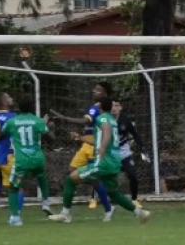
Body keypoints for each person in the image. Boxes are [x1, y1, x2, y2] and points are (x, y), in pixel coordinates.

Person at [48, 96, 151, 224]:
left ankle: (65, 214)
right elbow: (99, 138)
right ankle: (140, 213)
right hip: (114, 163)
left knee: (70, 180)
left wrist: (102, 148)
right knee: (114, 194)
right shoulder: (113, 120)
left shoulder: (102, 118)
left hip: (103, 163)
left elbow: (106, 134)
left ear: (100, 107)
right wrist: (80, 138)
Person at [49, 82, 114, 221]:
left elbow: (84, 121)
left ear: (105, 94)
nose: (94, 91)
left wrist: (65, 118)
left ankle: (107, 207)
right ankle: (106, 206)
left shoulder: (97, 108)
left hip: (92, 146)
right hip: (85, 144)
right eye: (94, 88)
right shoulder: (99, 109)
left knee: (86, 178)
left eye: (98, 90)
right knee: (73, 170)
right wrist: (80, 137)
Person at [0, 98, 57, 226]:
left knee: (14, 188)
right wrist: (48, 127)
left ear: (19, 109)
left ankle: (15, 217)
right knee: (42, 177)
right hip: (37, 159)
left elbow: (1, 134)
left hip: (22, 161)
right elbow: (51, 139)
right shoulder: (37, 121)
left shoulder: (12, 121)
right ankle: (45, 202)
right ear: (32, 108)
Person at [114, 99, 150, 207]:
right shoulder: (105, 120)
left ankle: (134, 199)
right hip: (111, 154)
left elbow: (135, 134)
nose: (114, 108)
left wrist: (142, 148)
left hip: (124, 153)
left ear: (120, 107)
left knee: (132, 175)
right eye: (112, 105)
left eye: (116, 105)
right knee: (107, 177)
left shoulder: (125, 120)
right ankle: (106, 199)